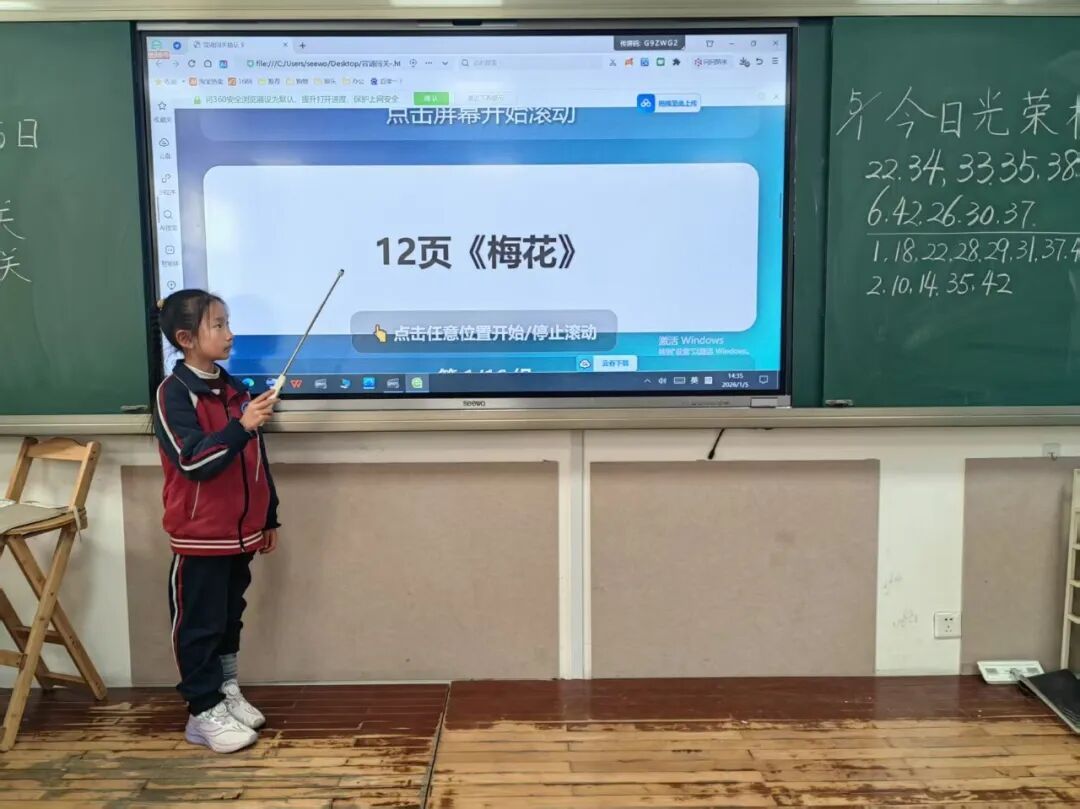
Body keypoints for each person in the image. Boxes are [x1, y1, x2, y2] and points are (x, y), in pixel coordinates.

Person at [153, 289, 280, 753]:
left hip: (242, 531)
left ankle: (226, 692)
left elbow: (255, 459)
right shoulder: (173, 394)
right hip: (201, 535)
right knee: (199, 625)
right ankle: (202, 710)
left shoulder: (233, 390)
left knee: (229, 618)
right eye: (219, 325)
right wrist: (241, 426)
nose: (230, 334)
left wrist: (268, 515)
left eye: (228, 323)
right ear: (186, 338)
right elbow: (193, 461)